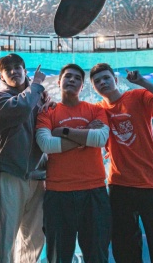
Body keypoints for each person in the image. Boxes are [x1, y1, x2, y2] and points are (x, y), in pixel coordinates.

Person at [89, 63, 153, 263]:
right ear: (94, 87)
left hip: (150, 183)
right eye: (97, 81)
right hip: (119, 185)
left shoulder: (137, 96)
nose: (103, 82)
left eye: (106, 78)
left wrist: (143, 82)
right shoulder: (98, 110)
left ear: (115, 80)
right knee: (124, 249)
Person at [36, 63, 111, 262]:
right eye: (68, 76)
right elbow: (46, 144)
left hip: (94, 191)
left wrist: (63, 132)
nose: (72, 80)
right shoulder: (47, 112)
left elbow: (100, 139)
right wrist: (86, 133)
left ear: (82, 86)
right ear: (59, 81)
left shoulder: (95, 110)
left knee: (97, 256)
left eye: (77, 78)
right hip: (58, 193)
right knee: (58, 257)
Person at [0, 54, 48, 263]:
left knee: (35, 236)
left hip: (39, 175)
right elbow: (21, 108)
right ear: (2, 76)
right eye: (8, 69)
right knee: (7, 235)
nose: (14, 71)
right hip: (12, 174)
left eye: (17, 67)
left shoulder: (39, 96)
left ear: (25, 70)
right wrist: (37, 85)